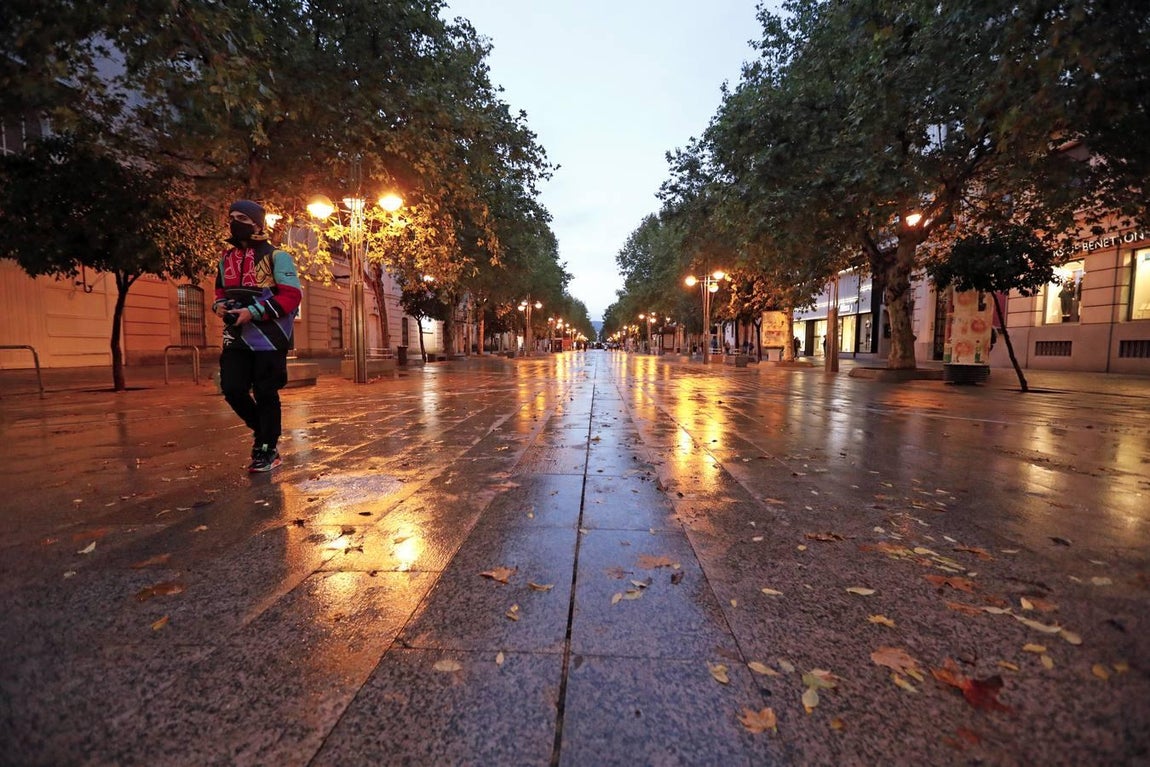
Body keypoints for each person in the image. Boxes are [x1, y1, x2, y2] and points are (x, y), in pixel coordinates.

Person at [213, 200, 302, 472]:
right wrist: (219, 306)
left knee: (266, 392)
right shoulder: (225, 259)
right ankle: (263, 432)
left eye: (242, 217)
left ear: (257, 223)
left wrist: (253, 311)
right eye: (232, 216)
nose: (235, 221)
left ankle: (267, 448)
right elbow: (220, 293)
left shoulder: (278, 257)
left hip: (269, 339)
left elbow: (291, 295)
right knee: (232, 388)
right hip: (236, 337)